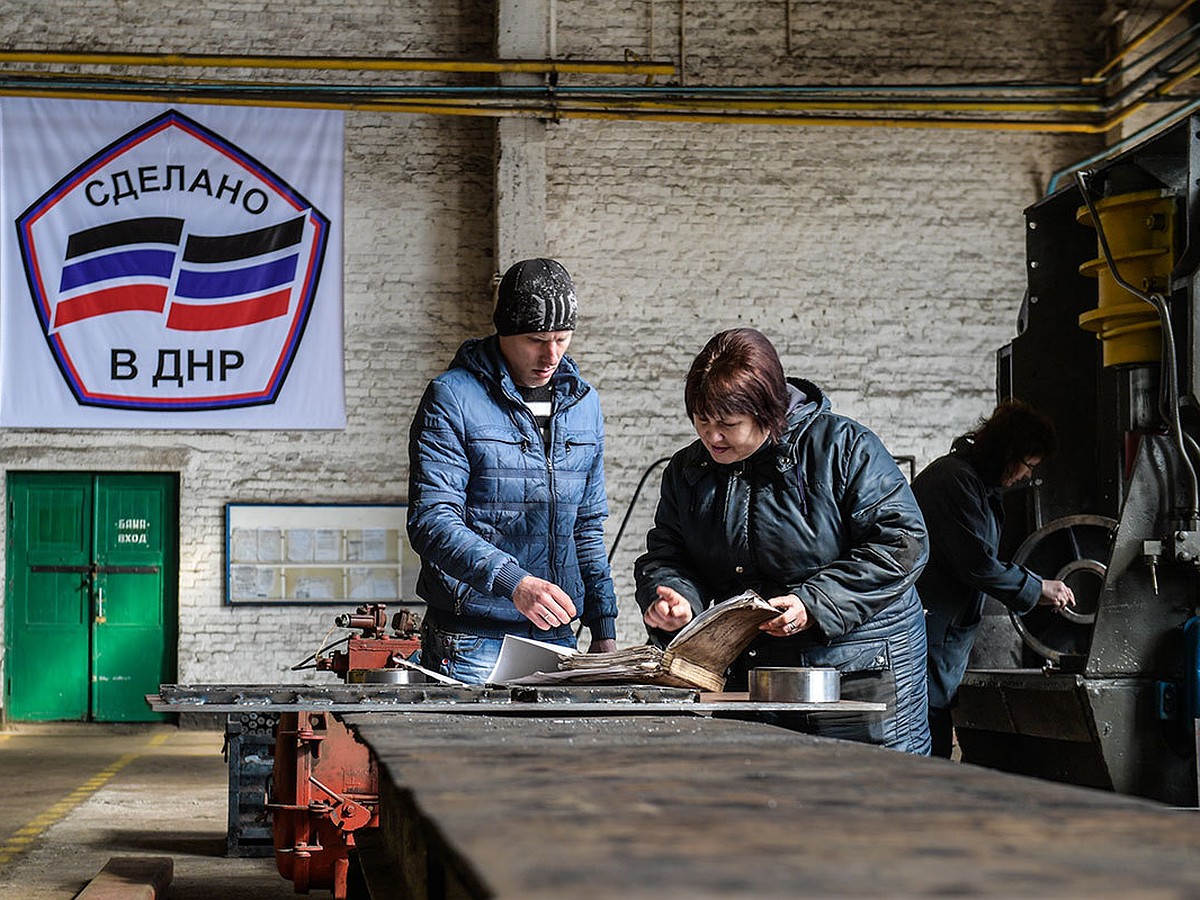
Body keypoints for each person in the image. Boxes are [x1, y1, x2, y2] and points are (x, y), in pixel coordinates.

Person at [634, 328, 931, 753]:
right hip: (761, 676)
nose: (711, 437)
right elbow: (668, 555)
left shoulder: (844, 449)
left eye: (728, 425)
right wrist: (677, 601)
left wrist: (815, 603)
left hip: (859, 675)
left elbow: (903, 543)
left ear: (768, 412)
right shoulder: (688, 471)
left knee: (869, 802)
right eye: (701, 421)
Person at [407, 257, 619, 683]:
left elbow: (587, 526)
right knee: (477, 751)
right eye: (535, 339)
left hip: (558, 637)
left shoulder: (584, 405)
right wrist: (514, 583)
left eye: (562, 338)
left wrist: (603, 626)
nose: (551, 355)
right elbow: (432, 521)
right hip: (471, 639)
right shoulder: (452, 397)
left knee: (553, 751)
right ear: (503, 331)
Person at [911, 399, 1075, 759]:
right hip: (928, 632)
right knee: (927, 738)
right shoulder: (953, 481)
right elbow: (978, 565)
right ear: (1008, 452)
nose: (1028, 475)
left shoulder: (976, 485)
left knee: (934, 730)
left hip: (944, 635)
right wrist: (1038, 588)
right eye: (1028, 464)